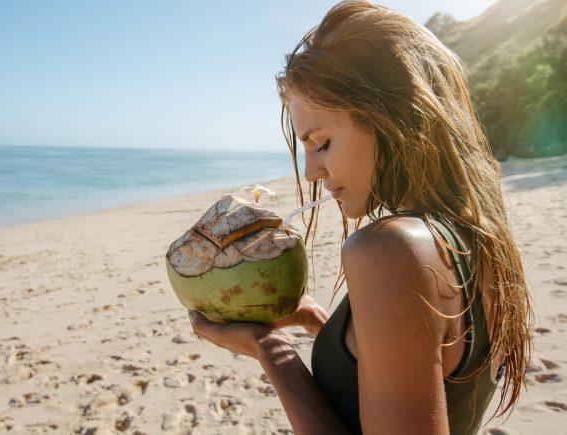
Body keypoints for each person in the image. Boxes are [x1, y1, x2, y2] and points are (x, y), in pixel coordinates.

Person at [188, 1, 533, 433]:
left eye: (323, 142)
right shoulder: (476, 233)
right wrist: (321, 324)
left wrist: (270, 351)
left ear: (389, 118)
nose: (312, 172)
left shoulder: (391, 249)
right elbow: (422, 366)